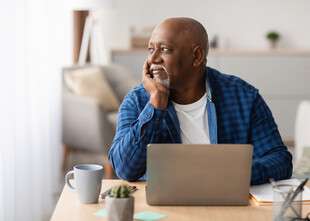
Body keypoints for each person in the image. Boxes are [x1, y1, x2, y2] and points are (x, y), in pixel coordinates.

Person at [108, 17, 292, 185]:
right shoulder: (138, 100)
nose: (153, 58)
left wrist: (232, 175)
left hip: (228, 205)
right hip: (163, 209)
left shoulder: (243, 96)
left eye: (164, 49)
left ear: (196, 56)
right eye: (151, 49)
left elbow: (279, 159)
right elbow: (125, 170)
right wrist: (156, 104)